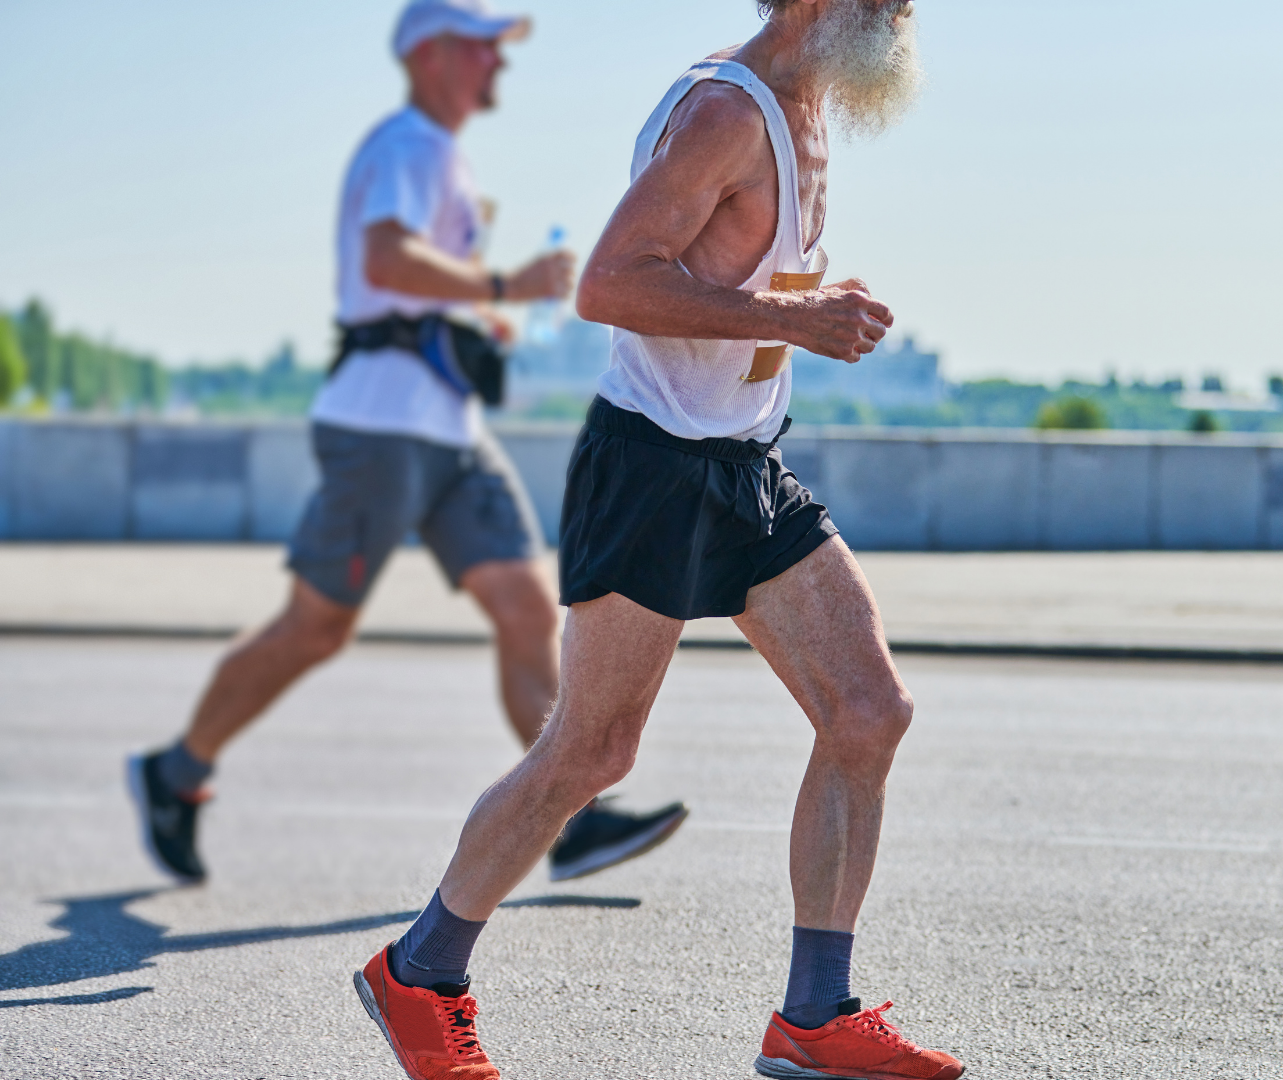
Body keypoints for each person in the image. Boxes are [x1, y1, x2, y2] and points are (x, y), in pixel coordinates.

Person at [352, 2, 964, 1078]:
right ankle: (419, 974)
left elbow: (727, 269)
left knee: (868, 712)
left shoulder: (803, 105)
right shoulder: (731, 112)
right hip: (651, 468)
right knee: (592, 750)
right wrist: (795, 323)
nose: (904, 15)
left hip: (742, 465)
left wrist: (814, 302)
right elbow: (612, 283)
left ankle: (814, 1018)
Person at [127, 0, 688, 891]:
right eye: (485, 49)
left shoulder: (444, 157)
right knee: (316, 629)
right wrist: (506, 282)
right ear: (432, 55)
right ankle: (176, 770)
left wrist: (477, 318)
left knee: (526, 609)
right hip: (381, 428)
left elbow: (411, 285)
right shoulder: (407, 147)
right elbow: (387, 262)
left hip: (448, 430)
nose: (499, 66)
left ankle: (569, 821)